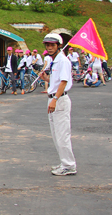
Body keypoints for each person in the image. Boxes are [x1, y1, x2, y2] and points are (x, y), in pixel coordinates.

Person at [39, 33, 76, 176]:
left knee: (62, 134)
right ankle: (64, 162)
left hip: (59, 100)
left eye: (52, 45)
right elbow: (56, 81)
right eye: (47, 45)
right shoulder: (54, 61)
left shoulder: (63, 61)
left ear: (59, 45)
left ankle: (69, 165)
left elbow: (64, 82)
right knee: (56, 134)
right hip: (54, 98)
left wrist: (55, 99)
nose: (49, 47)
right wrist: (46, 78)